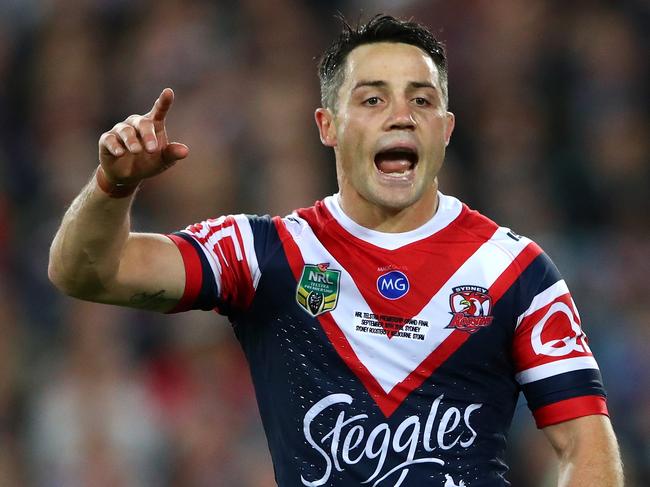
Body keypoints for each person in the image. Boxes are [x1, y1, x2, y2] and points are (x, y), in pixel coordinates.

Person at [48, 14, 624, 487]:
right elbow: (86, 273)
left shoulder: (515, 272)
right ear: (327, 125)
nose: (401, 115)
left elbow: (586, 445)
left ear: (445, 129)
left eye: (421, 101)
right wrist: (112, 185)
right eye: (372, 99)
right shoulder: (263, 255)